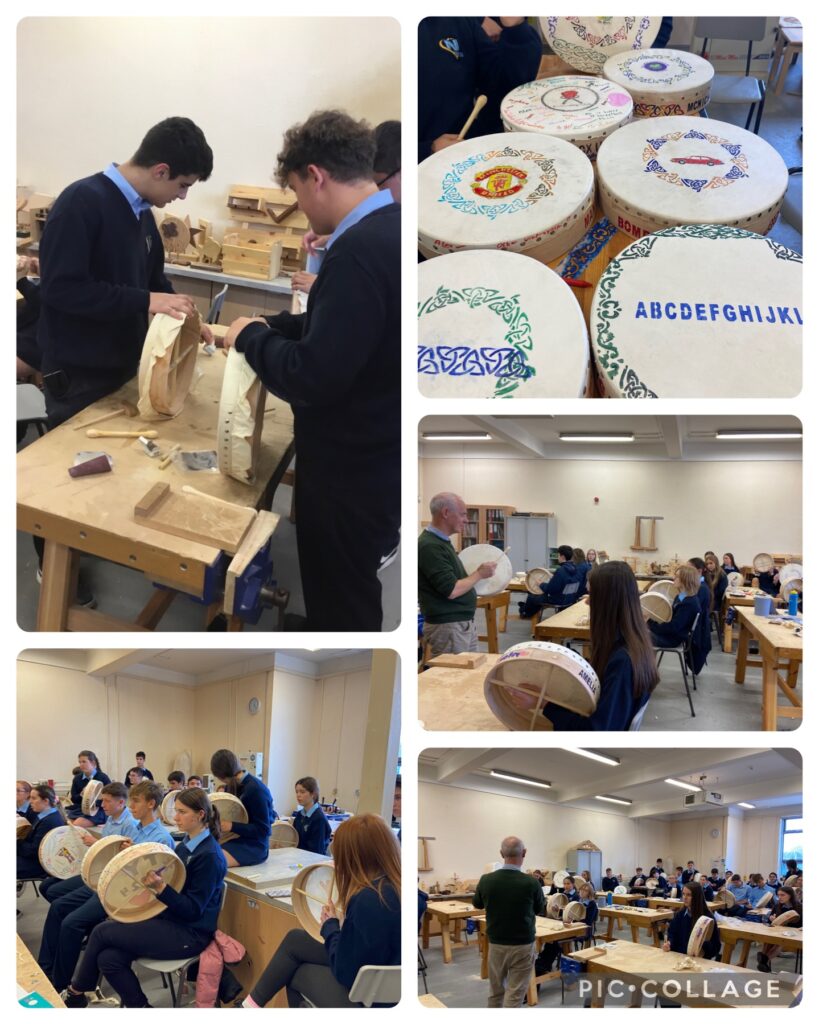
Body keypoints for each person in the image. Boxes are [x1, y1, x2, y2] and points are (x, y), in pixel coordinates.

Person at [222, 111, 399, 632]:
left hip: (350, 475)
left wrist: (253, 338)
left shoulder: (359, 250)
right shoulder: (385, 229)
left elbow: (312, 376)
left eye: (297, 191)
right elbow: (339, 327)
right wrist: (267, 322)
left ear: (316, 176)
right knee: (345, 586)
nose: (299, 206)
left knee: (342, 599)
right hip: (370, 464)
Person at [37, 116, 213, 428]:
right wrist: (145, 301)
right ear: (161, 170)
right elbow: (62, 290)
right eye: (183, 185)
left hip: (124, 369)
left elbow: (153, 281)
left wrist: (186, 316)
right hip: (80, 377)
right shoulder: (80, 202)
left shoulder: (142, 212)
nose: (183, 196)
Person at [64, 787, 226, 1008]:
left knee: (101, 931)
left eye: (182, 812)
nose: (175, 817)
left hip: (190, 935)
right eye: (176, 811)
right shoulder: (187, 845)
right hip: (169, 921)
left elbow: (193, 910)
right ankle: (140, 1007)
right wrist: (138, 859)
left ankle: (75, 993)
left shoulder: (210, 856)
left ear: (200, 815)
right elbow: (167, 879)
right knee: (108, 959)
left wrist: (161, 888)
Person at [242, 813, 400, 1008]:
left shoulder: (367, 900)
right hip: (393, 990)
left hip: (367, 998)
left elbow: (346, 970)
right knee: (296, 939)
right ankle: (249, 1006)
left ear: (353, 855)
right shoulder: (404, 890)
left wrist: (330, 926)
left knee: (296, 972)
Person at [37, 781, 174, 993]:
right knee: (58, 908)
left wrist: (130, 853)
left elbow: (149, 881)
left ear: (151, 804)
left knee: (71, 923)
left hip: (124, 895)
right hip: (109, 883)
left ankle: (59, 983)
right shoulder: (137, 829)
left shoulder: (161, 837)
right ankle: (45, 968)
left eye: (136, 801)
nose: (131, 806)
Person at [544, 561, 659, 731]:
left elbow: (596, 732)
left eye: (592, 595)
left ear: (608, 602)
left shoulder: (622, 662)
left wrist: (546, 705)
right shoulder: (634, 642)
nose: (587, 603)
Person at [292, 119, 402, 296]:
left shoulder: (353, 251)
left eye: (378, 184)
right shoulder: (387, 227)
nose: (375, 191)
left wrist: (323, 289)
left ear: (316, 178)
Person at [418, 17, 541, 160]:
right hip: (421, 169)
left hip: (475, 149)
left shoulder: (457, 20)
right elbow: (388, 146)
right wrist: (426, 150)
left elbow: (504, 87)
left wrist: (515, 29)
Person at [418, 491, 497, 656]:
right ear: (446, 513)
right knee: (452, 677)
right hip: (449, 626)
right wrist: (479, 574)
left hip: (458, 624)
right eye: (462, 514)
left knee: (466, 675)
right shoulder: (430, 546)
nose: (466, 520)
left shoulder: (440, 543)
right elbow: (451, 590)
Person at [472, 836, 544, 1008]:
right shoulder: (532, 883)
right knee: (515, 993)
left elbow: (477, 903)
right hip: (523, 945)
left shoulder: (486, 880)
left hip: (496, 944)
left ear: (501, 853)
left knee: (495, 991)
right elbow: (538, 909)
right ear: (524, 853)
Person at [40, 782, 138, 901]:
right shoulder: (111, 817)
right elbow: (108, 843)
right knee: (45, 886)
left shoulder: (130, 824)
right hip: (97, 865)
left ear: (121, 802)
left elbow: (122, 858)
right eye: (102, 800)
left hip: (106, 872)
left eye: (107, 801)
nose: (102, 805)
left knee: (53, 892)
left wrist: (96, 843)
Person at [210, 749, 275, 867]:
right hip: (233, 839)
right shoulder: (231, 786)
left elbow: (264, 830)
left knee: (210, 860)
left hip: (254, 846)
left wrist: (231, 826)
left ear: (221, 776)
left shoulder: (256, 789)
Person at [648, 564, 702, 654]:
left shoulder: (689, 604)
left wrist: (650, 624)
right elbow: (671, 616)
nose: (674, 578)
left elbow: (673, 627)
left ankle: (642, 666)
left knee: (634, 635)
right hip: (669, 635)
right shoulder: (682, 595)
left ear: (685, 580)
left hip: (671, 639)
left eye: (677, 577)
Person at [662, 882, 720, 959]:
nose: (684, 897)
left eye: (689, 895)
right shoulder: (680, 914)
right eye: (683, 894)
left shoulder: (707, 918)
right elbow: (672, 933)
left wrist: (702, 944)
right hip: (678, 955)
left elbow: (715, 946)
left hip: (698, 959)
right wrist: (669, 943)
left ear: (697, 897)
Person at [522, 546, 583, 619]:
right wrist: (554, 578)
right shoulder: (576, 569)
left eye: (558, 555)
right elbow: (568, 583)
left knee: (532, 596)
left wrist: (540, 584)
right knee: (537, 597)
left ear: (562, 556)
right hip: (570, 599)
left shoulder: (561, 570)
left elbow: (551, 590)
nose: (558, 557)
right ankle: (525, 609)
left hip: (558, 600)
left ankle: (525, 613)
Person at [17, 784, 63, 878]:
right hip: (32, 858)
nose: (30, 802)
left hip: (38, 864)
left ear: (46, 801)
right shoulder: (44, 815)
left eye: (34, 798)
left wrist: (16, 841)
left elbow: (34, 851)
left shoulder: (49, 821)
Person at [757, 886, 802, 972]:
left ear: (790, 896)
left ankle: (764, 960)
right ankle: (764, 961)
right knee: (768, 939)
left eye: (783, 895)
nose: (780, 897)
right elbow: (772, 922)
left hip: (793, 932)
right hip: (778, 930)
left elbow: (801, 923)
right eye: (778, 895)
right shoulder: (777, 905)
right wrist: (771, 919)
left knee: (779, 941)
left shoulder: (799, 907)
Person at [65, 750, 111, 827]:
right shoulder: (77, 778)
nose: (81, 765)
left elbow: (109, 799)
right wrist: (82, 795)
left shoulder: (103, 777)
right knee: (65, 821)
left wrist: (91, 800)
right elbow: (74, 799)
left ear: (93, 763)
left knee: (76, 825)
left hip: (98, 811)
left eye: (84, 762)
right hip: (81, 810)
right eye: (80, 762)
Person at [292, 776, 332, 855]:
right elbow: (295, 839)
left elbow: (317, 851)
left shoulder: (319, 819)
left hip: (312, 861)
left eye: (302, 792)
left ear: (313, 794)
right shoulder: (299, 815)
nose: (298, 795)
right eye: (297, 792)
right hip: (298, 857)